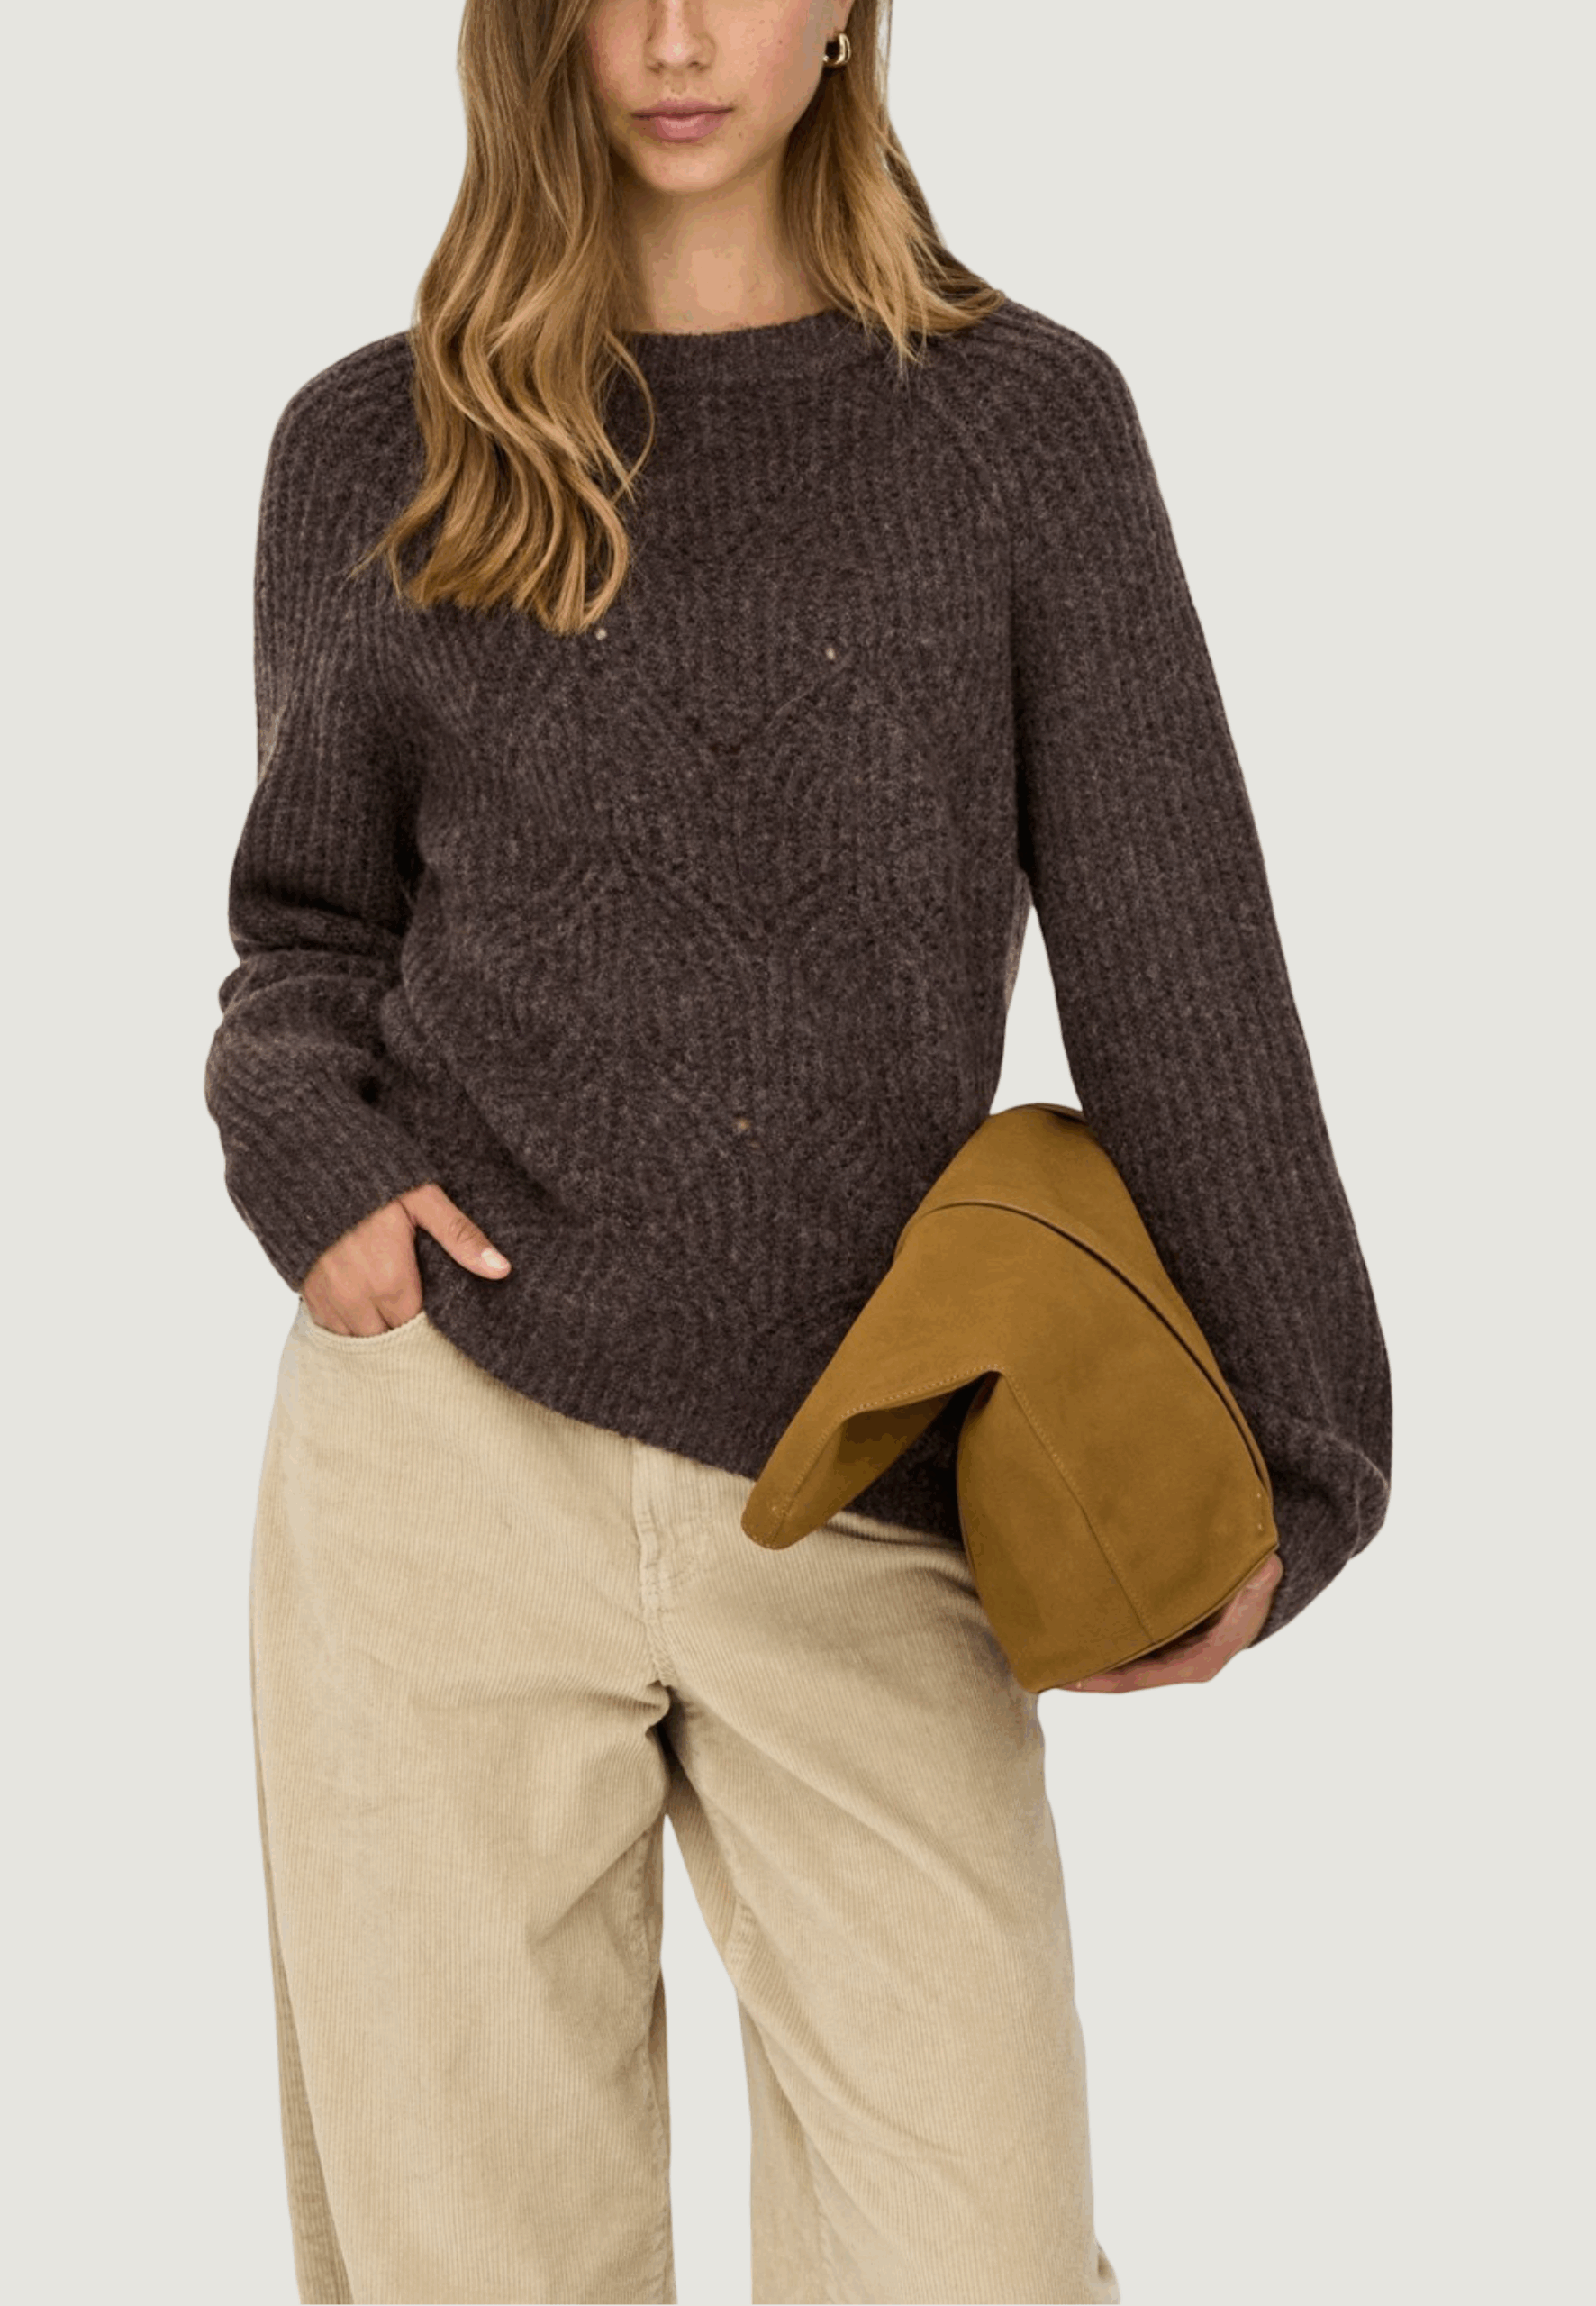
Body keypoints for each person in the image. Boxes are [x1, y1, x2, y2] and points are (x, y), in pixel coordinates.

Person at [204, 3, 1392, 2301]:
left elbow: (1175, 954)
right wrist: (308, 1159)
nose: (673, 37)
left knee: (978, 2249)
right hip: (444, 1450)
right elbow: (305, 934)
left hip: (874, 1451)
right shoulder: (375, 440)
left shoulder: (1018, 428)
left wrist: (1303, 1445)